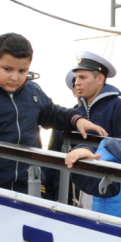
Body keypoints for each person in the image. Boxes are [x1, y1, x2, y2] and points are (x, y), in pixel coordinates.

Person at [0, 33, 107, 192]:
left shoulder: (32, 92)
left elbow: (53, 113)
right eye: (7, 69)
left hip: (27, 183)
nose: (15, 77)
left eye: (22, 71)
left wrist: (76, 120)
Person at [72, 51, 121, 140]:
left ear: (99, 79)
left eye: (83, 77)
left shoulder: (119, 106)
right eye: (76, 78)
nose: (77, 83)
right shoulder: (75, 111)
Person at [43, 70, 81, 201]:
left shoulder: (104, 118)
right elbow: (51, 161)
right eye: (77, 84)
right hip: (64, 195)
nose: (81, 86)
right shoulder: (62, 121)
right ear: (74, 91)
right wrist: (49, 196)